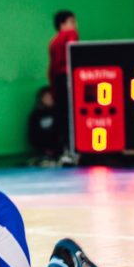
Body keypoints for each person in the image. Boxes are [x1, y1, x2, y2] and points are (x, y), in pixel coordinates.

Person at [48, 10, 79, 159]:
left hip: (58, 81)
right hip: (69, 78)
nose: (75, 25)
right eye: (72, 21)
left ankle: (62, 150)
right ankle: (73, 150)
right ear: (62, 24)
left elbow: (52, 68)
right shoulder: (71, 34)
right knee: (72, 116)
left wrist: (53, 88)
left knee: (61, 116)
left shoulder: (53, 42)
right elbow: (74, 54)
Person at [27, 86, 59, 165]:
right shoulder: (36, 115)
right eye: (46, 97)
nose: (49, 99)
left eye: (51, 97)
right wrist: (43, 149)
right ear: (41, 99)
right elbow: (33, 134)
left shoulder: (60, 113)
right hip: (42, 151)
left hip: (58, 150)